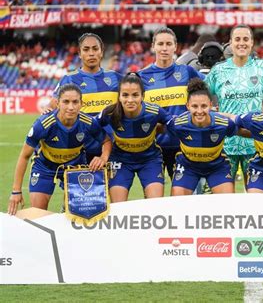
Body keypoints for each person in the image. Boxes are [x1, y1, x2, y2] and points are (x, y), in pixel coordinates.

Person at [8, 84, 111, 215]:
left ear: (81, 103)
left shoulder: (88, 122)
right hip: (45, 167)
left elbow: (106, 141)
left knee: (78, 213)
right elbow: (24, 156)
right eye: (66, 102)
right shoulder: (43, 124)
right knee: (38, 213)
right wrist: (16, 191)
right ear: (57, 103)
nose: (71, 107)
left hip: (74, 166)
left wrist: (103, 157)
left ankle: (65, 207)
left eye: (75, 102)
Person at [205, 24, 263, 183]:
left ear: (252, 42)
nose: (241, 43)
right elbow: (201, 97)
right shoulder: (218, 70)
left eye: (246, 39)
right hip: (225, 142)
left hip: (256, 141)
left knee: (254, 195)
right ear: (230, 43)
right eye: (237, 39)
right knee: (223, 196)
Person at [138, 27, 204, 180]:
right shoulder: (142, 77)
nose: (164, 48)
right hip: (154, 147)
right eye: (160, 44)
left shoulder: (187, 72)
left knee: (187, 198)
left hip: (184, 145)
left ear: (175, 46)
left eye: (169, 44)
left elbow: (210, 88)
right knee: (154, 197)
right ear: (153, 46)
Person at [98, 73, 171, 202]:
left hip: (150, 159)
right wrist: (105, 152)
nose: (130, 100)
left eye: (135, 95)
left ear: (143, 96)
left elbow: (176, 123)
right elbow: (89, 127)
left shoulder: (154, 111)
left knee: (156, 203)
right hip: (121, 161)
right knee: (118, 206)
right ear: (119, 96)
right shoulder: (109, 112)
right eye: (125, 95)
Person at [49, 33, 122, 162]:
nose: (91, 53)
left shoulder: (116, 78)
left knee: (114, 183)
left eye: (95, 48)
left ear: (101, 51)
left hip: (112, 149)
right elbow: (53, 106)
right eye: (86, 49)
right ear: (79, 53)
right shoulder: (69, 79)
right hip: (78, 150)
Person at [166, 79, 237, 196]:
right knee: (177, 205)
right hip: (188, 167)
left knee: (227, 204)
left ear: (211, 105)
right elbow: (160, 128)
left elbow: (242, 132)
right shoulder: (178, 124)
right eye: (194, 106)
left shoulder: (224, 123)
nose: (199, 111)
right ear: (187, 106)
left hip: (217, 167)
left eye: (204, 106)